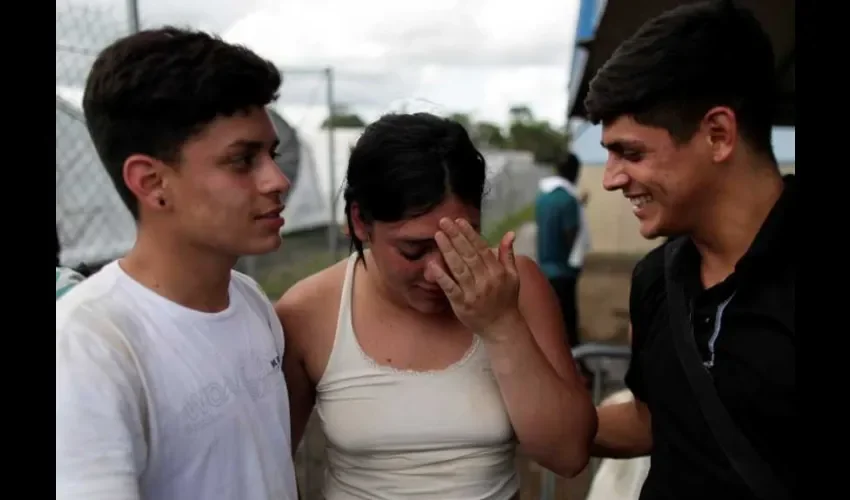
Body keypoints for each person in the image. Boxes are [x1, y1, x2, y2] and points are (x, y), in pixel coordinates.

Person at [276, 112, 596, 499]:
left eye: (459, 243)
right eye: (414, 249)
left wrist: (502, 325)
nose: (438, 273)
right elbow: (271, 466)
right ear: (361, 221)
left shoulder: (515, 286)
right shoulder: (309, 311)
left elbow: (568, 453)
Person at [56, 27, 298, 500]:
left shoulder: (249, 300)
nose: (277, 180)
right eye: (242, 160)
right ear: (151, 182)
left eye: (272, 154)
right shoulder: (89, 347)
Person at [586, 2, 795, 500]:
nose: (612, 179)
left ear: (718, 134)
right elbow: (657, 420)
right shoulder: (654, 278)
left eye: (630, 153)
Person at [535, 152, 591, 350]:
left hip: (545, 267)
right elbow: (570, 235)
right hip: (563, 270)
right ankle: (577, 368)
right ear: (575, 171)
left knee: (550, 318)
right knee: (567, 321)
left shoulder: (543, 197)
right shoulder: (568, 200)